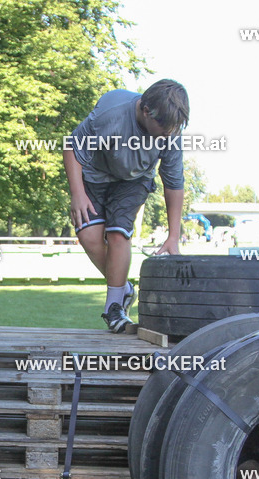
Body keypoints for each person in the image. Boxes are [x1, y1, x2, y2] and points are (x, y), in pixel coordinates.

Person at [63, 79, 189, 332]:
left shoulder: (171, 133)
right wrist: (77, 194)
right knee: (88, 235)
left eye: (173, 130)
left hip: (134, 180)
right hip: (95, 176)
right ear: (145, 110)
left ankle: (114, 307)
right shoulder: (112, 112)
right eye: (163, 129)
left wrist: (174, 235)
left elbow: (173, 183)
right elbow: (72, 146)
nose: (168, 135)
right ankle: (124, 288)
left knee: (119, 233)